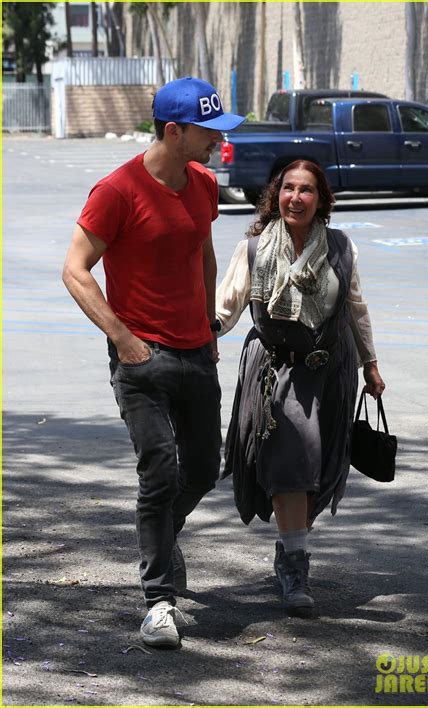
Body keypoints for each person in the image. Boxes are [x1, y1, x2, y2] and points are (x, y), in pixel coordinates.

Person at [62, 77, 245, 647]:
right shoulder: (117, 190)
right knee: (159, 469)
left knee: (201, 467)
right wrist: (121, 337)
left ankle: (164, 534)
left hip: (196, 349)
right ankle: (158, 603)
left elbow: (203, 254)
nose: (218, 140)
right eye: (208, 130)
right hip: (141, 358)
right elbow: (74, 269)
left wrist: (212, 324)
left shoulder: (204, 185)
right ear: (174, 130)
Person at [215, 159, 385, 617]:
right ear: (276, 194)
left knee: (321, 467)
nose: (296, 197)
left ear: (321, 199)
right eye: (288, 188)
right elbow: (226, 307)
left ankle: (291, 543)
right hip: (276, 369)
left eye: (306, 190)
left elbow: (355, 309)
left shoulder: (340, 248)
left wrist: (370, 363)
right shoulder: (254, 248)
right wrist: (201, 339)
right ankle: (295, 567)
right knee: (293, 461)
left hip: (332, 370)